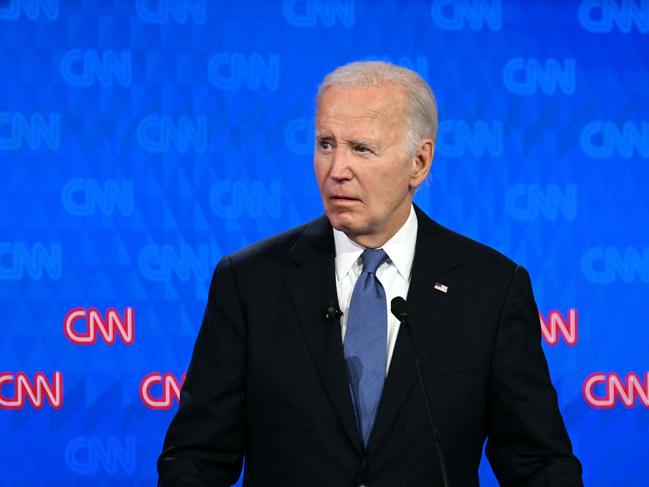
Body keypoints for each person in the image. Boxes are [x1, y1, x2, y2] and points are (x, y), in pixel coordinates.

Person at [158, 61, 583, 486]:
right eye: (326, 144)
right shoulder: (250, 282)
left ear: (419, 161)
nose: (336, 168)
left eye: (361, 148)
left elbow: (538, 464)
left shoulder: (490, 289)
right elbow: (196, 459)